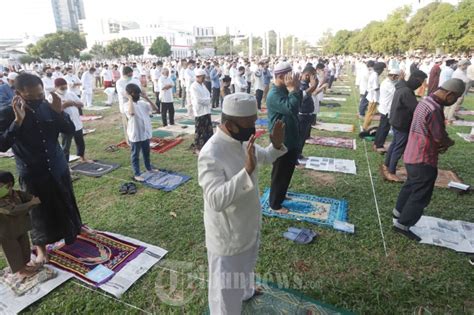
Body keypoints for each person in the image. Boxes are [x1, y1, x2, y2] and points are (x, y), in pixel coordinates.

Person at [198, 92, 287, 315]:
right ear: (229, 124)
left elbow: (264, 157)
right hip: (227, 235)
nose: (253, 129)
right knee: (225, 294)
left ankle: (246, 291)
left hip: (247, 223)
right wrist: (246, 171)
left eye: (255, 122)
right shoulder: (212, 152)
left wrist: (276, 145)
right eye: (249, 124)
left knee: (246, 266)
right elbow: (215, 200)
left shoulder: (242, 139)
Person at [0, 73, 81, 264]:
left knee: (66, 199)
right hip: (33, 170)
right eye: (31, 97)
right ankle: (41, 249)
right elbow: (2, 145)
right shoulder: (6, 113)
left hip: (57, 165)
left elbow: (70, 130)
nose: (37, 100)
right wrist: (17, 122)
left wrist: (59, 112)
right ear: (18, 93)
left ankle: (73, 232)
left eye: (40, 95)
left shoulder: (48, 106)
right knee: (38, 211)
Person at [392, 79, 465, 241]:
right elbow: (439, 137)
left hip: (412, 153)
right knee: (421, 193)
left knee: (411, 184)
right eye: (456, 98)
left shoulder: (426, 101)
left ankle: (398, 212)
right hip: (423, 157)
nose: (454, 101)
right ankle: (403, 224)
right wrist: (449, 142)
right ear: (449, 94)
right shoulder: (434, 109)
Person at [266, 62, 301, 213]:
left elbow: (297, 103)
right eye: (289, 75)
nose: (291, 78)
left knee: (288, 170)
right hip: (281, 140)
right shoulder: (274, 94)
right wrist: (293, 89)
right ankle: (274, 204)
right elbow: (291, 108)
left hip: (290, 136)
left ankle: (281, 194)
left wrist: (295, 89)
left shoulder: (283, 89)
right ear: (281, 76)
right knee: (280, 172)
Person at [384, 70, 427, 181]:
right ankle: (391, 171)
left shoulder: (402, 87)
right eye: (421, 81)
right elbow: (415, 109)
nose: (421, 84)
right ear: (415, 79)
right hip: (402, 123)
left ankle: (387, 164)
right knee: (399, 147)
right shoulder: (406, 91)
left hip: (396, 121)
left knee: (394, 144)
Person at [0, 171, 42, 280]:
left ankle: (25, 266)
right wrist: (31, 203)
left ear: (9, 185)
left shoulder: (16, 193)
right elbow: (13, 210)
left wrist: (32, 199)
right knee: (13, 251)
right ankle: (20, 271)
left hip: (21, 227)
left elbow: (28, 197)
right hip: (6, 232)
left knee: (24, 247)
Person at [125, 83, 158, 182]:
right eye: (135, 93)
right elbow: (131, 113)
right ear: (130, 94)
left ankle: (149, 168)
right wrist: (130, 99)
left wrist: (147, 98)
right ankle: (137, 174)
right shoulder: (126, 105)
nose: (138, 95)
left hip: (145, 133)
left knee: (146, 152)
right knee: (135, 155)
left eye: (138, 93)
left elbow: (156, 109)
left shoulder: (142, 103)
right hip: (135, 134)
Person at [53, 78, 89, 163]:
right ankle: (66, 164)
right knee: (66, 145)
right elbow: (55, 111)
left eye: (65, 87)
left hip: (77, 122)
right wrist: (65, 105)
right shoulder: (53, 97)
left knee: (80, 142)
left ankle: (82, 158)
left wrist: (72, 103)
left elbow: (81, 104)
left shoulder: (70, 93)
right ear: (56, 87)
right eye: (62, 88)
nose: (64, 90)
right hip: (65, 125)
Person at [373, 69, 400, 153]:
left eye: (395, 75)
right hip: (386, 109)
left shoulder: (393, 82)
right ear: (388, 75)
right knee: (384, 127)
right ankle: (379, 145)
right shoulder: (387, 83)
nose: (393, 77)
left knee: (382, 127)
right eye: (391, 75)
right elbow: (396, 92)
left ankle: (377, 143)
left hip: (387, 108)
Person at [116, 66, 142, 144]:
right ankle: (129, 141)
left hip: (137, 104)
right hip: (125, 105)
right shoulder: (119, 82)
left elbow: (139, 90)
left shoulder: (135, 80)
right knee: (128, 124)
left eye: (131, 75)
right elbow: (123, 93)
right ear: (125, 74)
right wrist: (131, 96)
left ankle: (138, 137)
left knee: (137, 122)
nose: (131, 76)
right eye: (129, 75)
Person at [297, 65, 318, 160]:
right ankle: (296, 154)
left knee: (303, 137)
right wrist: (313, 86)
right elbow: (302, 97)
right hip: (302, 115)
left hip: (307, 115)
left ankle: (299, 153)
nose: (315, 78)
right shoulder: (300, 85)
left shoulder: (305, 84)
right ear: (307, 75)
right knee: (300, 137)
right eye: (313, 75)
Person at [191, 69, 213, 153]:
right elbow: (198, 100)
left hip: (206, 110)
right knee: (199, 130)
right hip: (199, 111)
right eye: (203, 77)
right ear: (198, 77)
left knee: (208, 129)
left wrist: (207, 100)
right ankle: (197, 147)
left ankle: (207, 146)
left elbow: (208, 95)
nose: (204, 79)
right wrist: (207, 100)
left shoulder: (203, 85)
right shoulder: (194, 86)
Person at [444, 59, 471, 124]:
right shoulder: (459, 72)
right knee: (453, 105)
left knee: (450, 105)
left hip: (454, 90)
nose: (467, 67)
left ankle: (446, 116)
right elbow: (467, 80)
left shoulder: (460, 71)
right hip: (456, 90)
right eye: (466, 65)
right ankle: (449, 118)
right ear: (462, 65)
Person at [363, 62, 385, 130]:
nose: (382, 72)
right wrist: (383, 87)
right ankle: (365, 127)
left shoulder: (374, 74)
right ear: (379, 69)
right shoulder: (375, 75)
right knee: (370, 113)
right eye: (382, 70)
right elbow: (376, 88)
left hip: (373, 96)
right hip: (373, 98)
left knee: (370, 112)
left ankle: (365, 126)